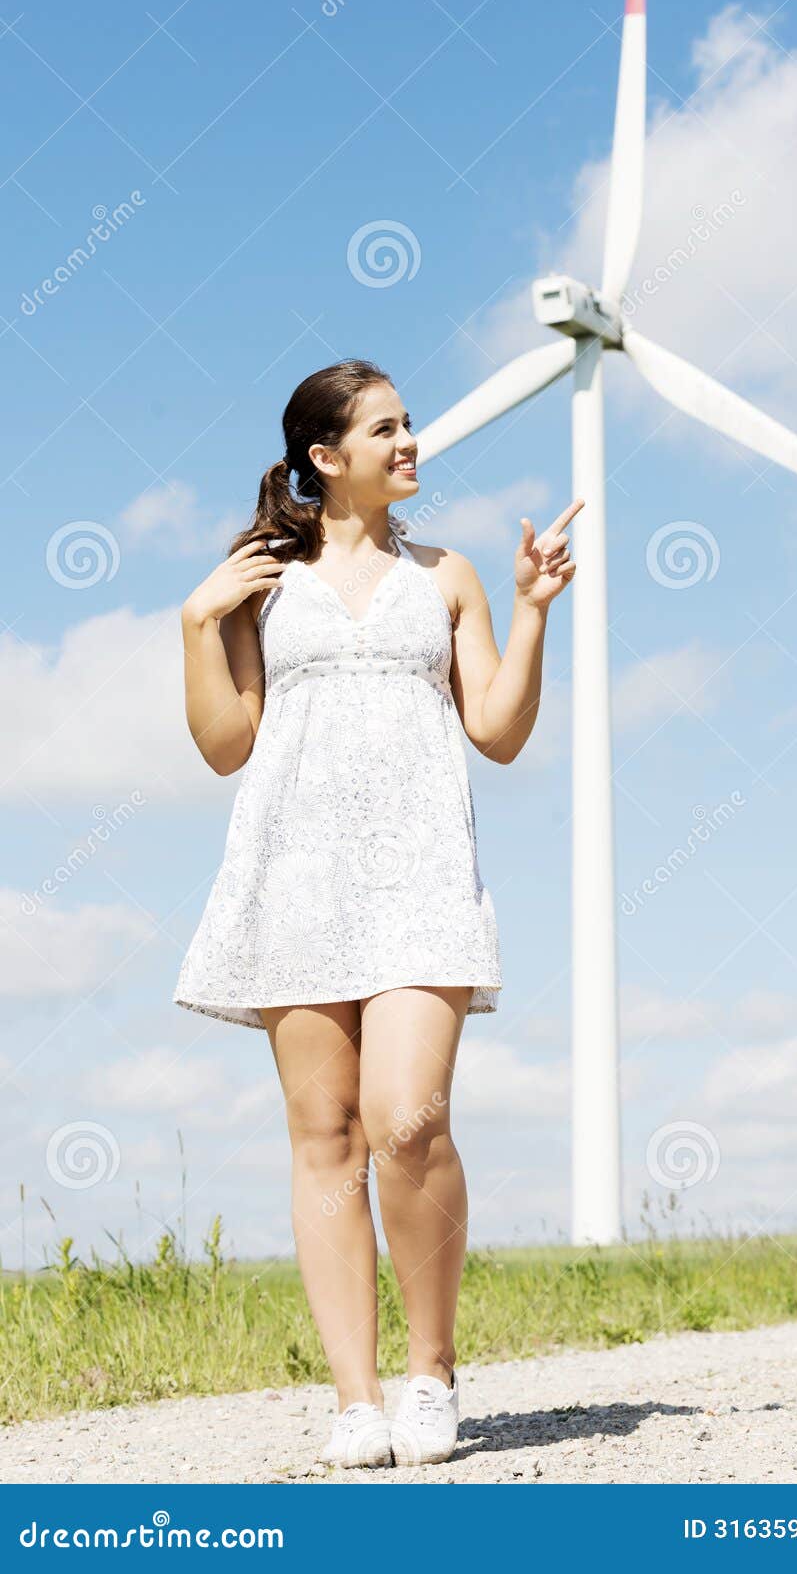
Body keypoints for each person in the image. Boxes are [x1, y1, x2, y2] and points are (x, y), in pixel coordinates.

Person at [174, 358, 580, 1468]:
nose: (413, 443)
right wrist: (194, 625)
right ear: (326, 456)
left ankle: (430, 1369)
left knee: (407, 1120)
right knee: (327, 1139)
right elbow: (224, 746)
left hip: (421, 876)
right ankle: (356, 1398)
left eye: (410, 426)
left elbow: (495, 728)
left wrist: (536, 611)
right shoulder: (262, 580)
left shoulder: (447, 576)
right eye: (389, 428)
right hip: (292, 875)